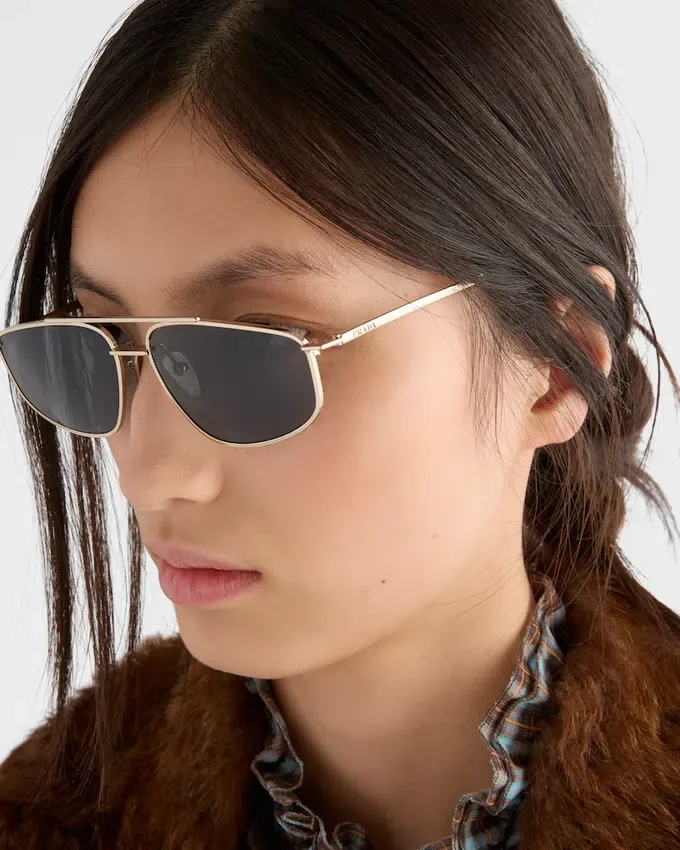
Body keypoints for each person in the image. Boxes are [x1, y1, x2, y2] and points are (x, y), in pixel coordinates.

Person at [1, 0, 679, 848]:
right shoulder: (51, 818)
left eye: (258, 352)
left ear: (553, 362)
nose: (147, 471)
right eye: (102, 342)